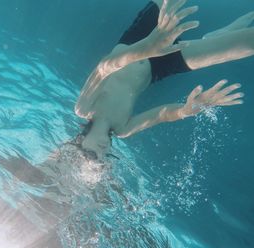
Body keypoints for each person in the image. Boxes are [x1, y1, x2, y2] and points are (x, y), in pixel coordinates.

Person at [75, 0, 254, 160]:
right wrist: (185, 110)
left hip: (139, 40)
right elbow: (162, 115)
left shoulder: (84, 108)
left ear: (80, 140)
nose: (101, 153)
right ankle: (212, 39)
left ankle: (212, 39)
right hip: (160, 67)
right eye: (103, 158)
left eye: (91, 155)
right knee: (248, 45)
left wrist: (145, 48)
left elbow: (104, 67)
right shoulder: (123, 129)